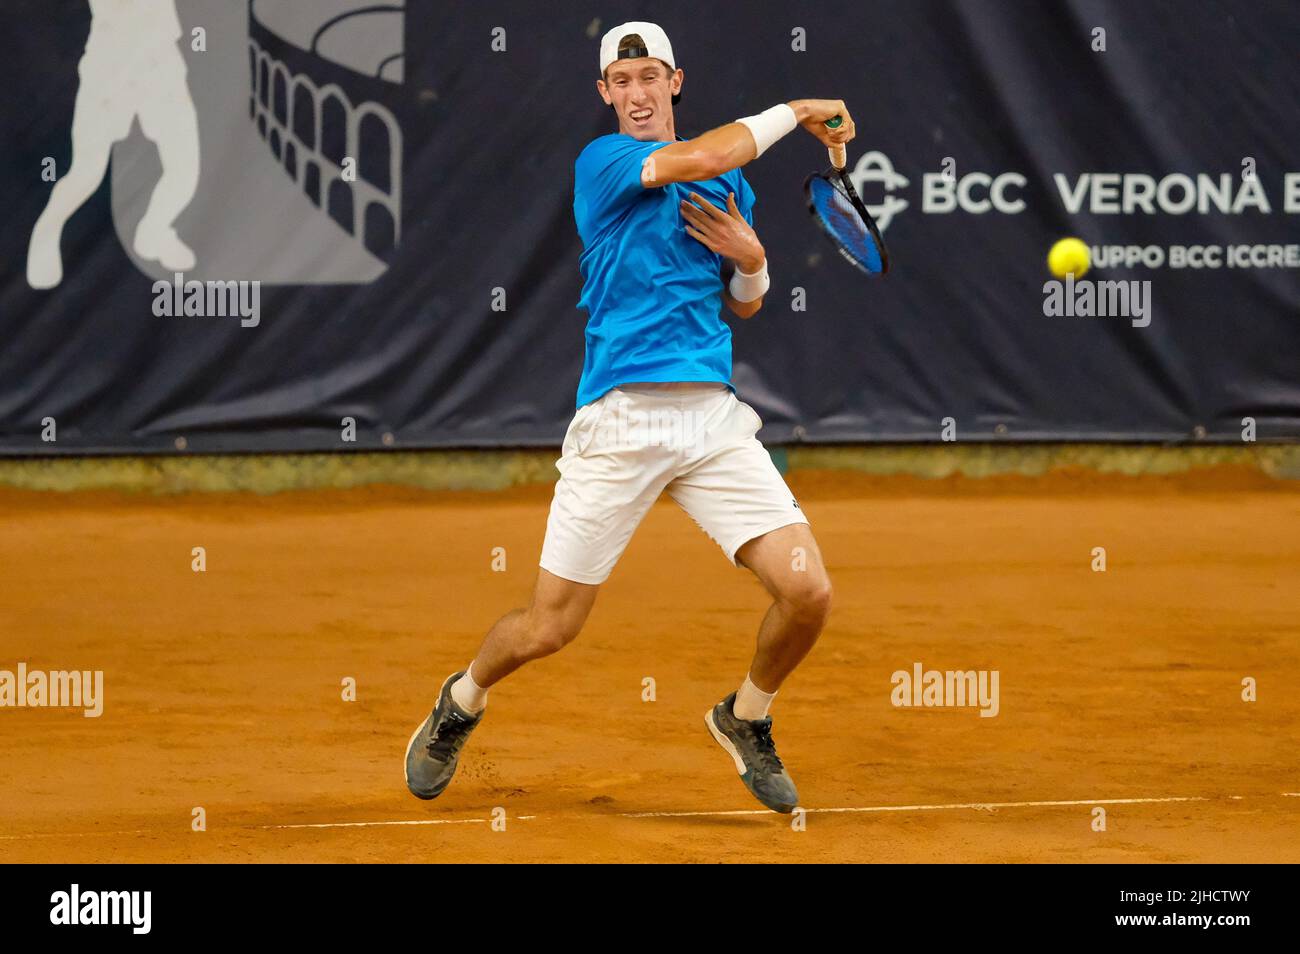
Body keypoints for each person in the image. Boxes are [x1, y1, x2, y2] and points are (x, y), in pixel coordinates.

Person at [405, 20, 855, 813]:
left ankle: (744, 716)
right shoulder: (606, 162)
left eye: (651, 76)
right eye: (624, 82)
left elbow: (742, 304)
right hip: (618, 421)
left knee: (808, 592)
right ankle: (463, 699)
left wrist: (753, 262)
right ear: (605, 95)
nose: (639, 93)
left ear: (674, 81)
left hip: (711, 421)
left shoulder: (727, 183)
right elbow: (711, 154)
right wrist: (797, 106)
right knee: (549, 628)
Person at [27, 0, 198, 289]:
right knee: (85, 174)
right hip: (110, 65)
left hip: (160, 62)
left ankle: (154, 231)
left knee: (185, 169)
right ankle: (46, 233)